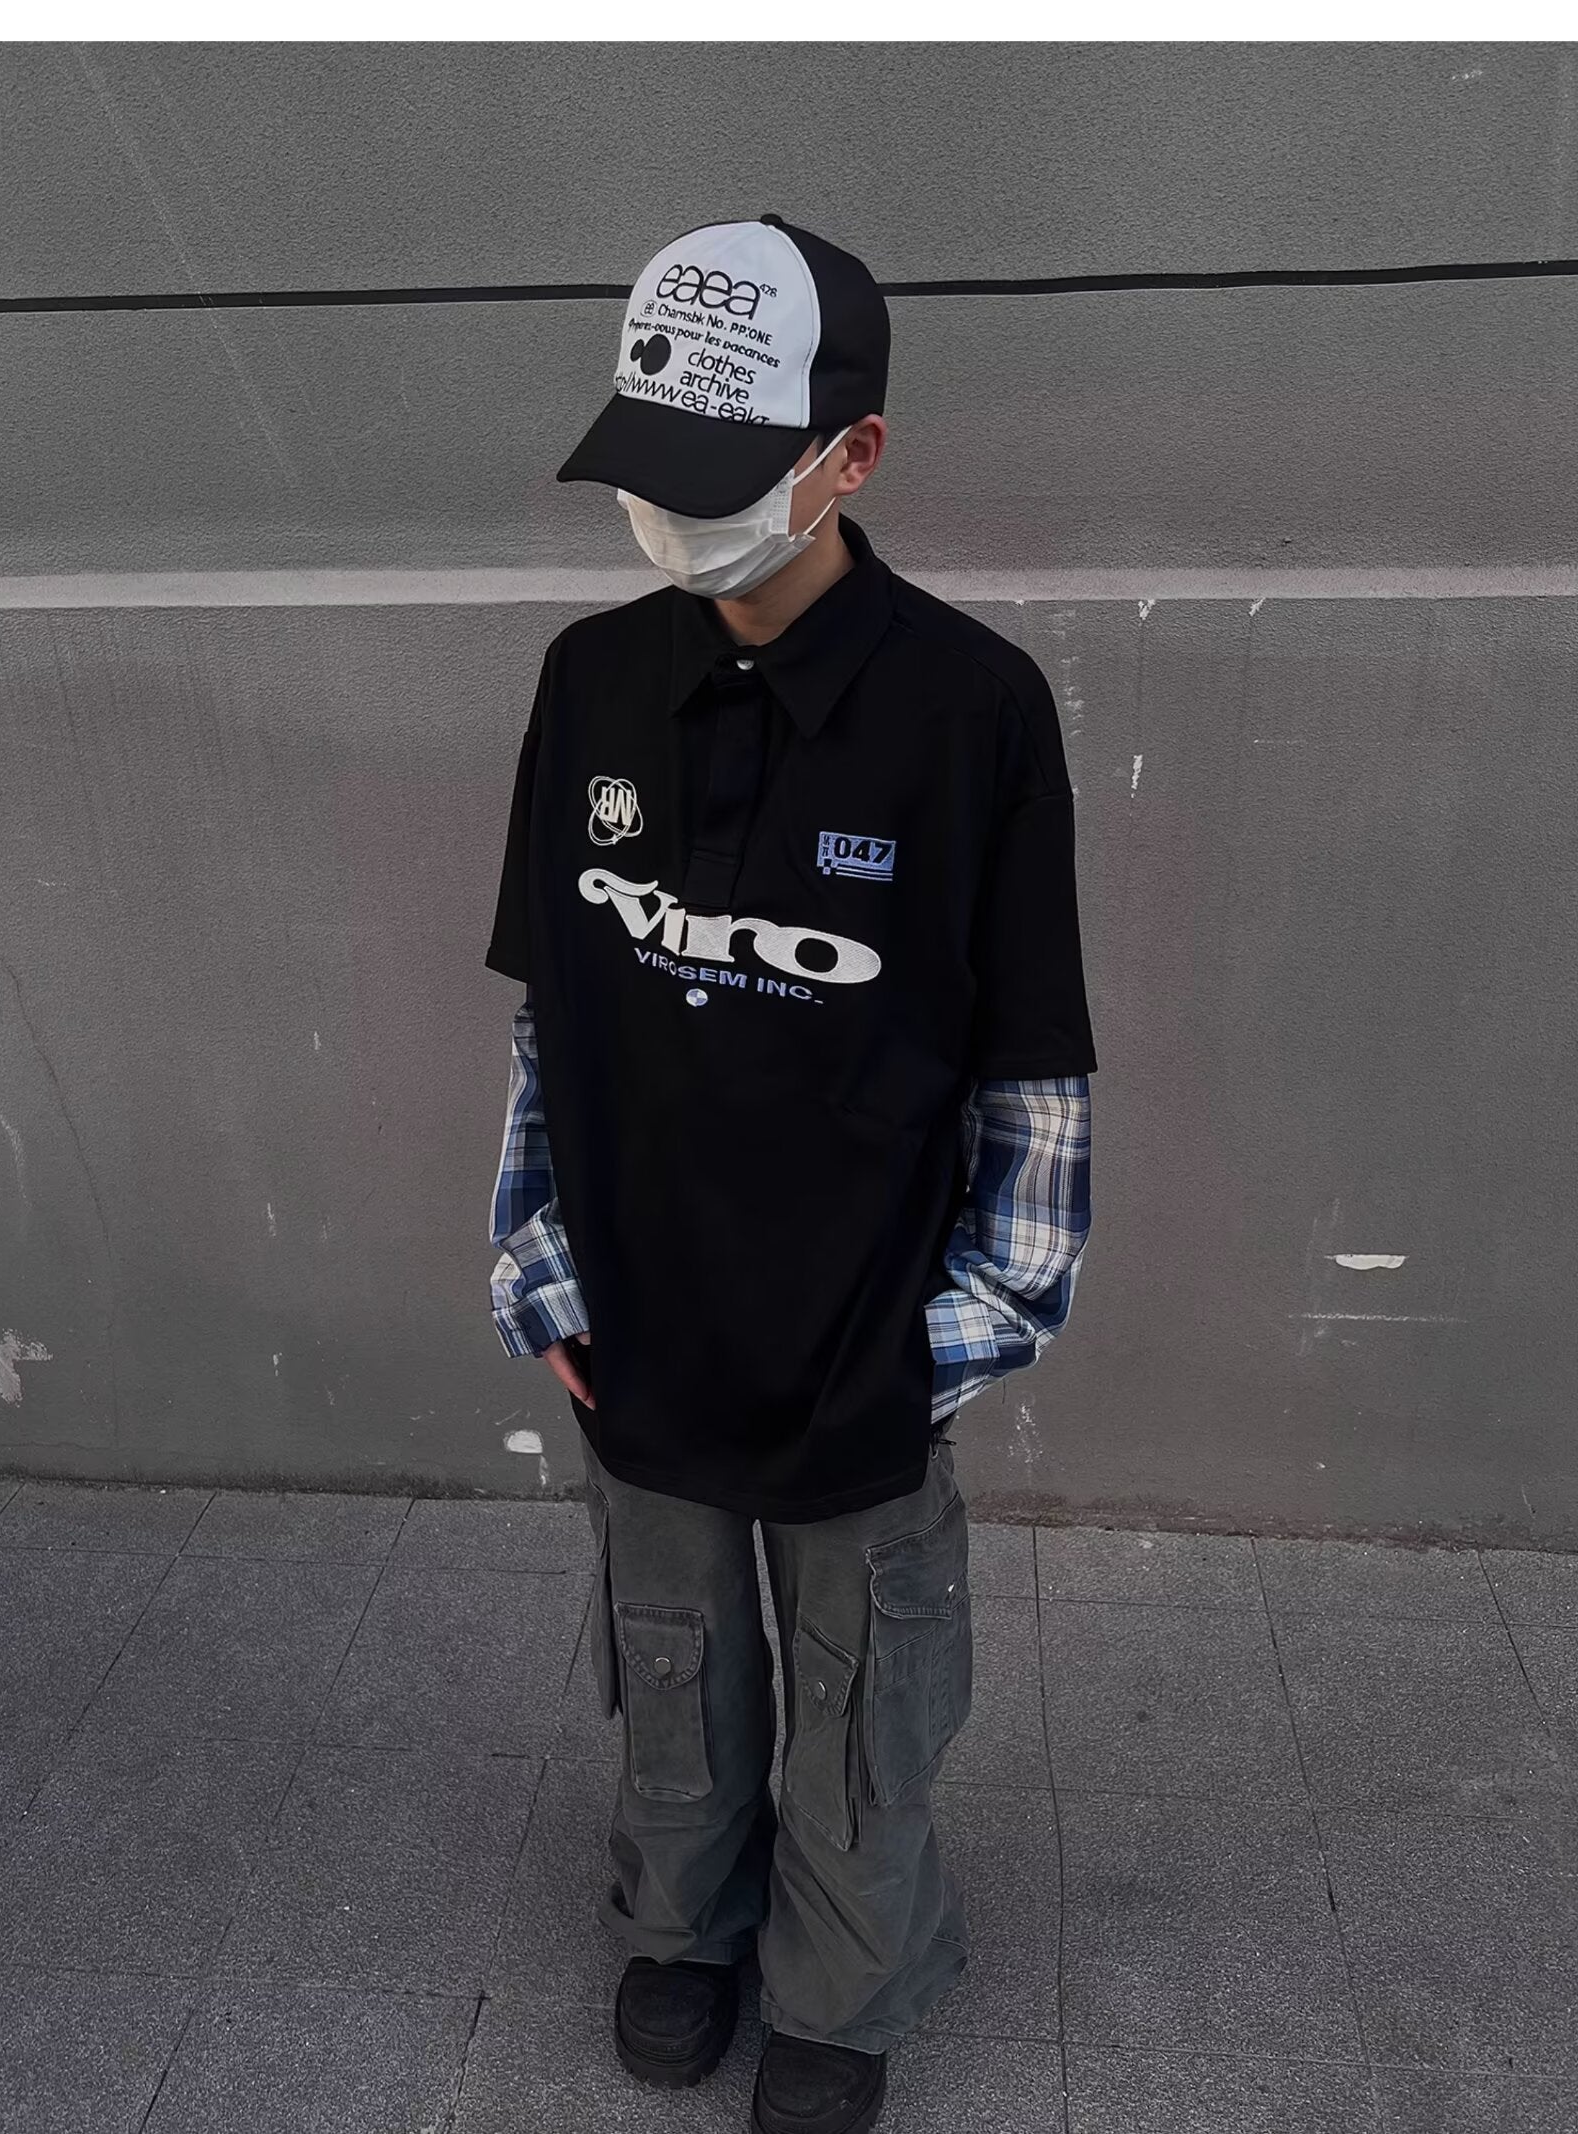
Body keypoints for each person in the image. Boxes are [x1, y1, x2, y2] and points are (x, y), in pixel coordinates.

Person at [485, 212, 1097, 2134]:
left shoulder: (975, 714)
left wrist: (962, 1335)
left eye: (721, 474)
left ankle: (846, 1978)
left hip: (861, 1345)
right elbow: (551, 1014)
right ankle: (683, 1919)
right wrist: (537, 1260)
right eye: (651, 469)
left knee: (860, 1689)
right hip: (643, 1323)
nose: (673, 515)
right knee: (669, 1655)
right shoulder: (590, 680)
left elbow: (1035, 1069)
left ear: (855, 454)